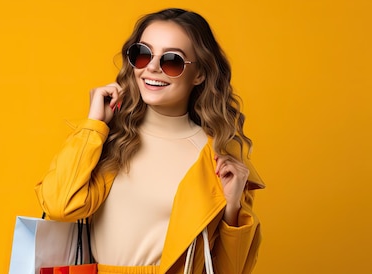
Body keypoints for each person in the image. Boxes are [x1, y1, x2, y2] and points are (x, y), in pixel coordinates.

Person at [34, 7, 265, 274]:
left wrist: (232, 206)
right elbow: (58, 206)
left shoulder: (216, 156)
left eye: (172, 60)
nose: (152, 68)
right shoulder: (110, 141)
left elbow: (231, 270)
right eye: (142, 54)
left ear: (199, 73)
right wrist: (93, 125)